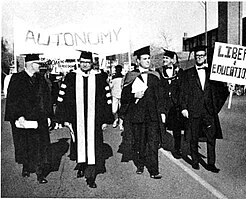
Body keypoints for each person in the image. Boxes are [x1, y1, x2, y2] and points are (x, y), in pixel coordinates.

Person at [55, 50, 113, 188]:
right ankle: (82, 164)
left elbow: (107, 99)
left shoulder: (99, 78)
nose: (85, 65)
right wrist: (64, 119)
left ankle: (91, 176)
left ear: (92, 63)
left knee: (93, 145)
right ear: (79, 62)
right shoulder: (70, 77)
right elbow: (62, 98)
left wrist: (106, 120)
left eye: (88, 62)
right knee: (79, 144)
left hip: (95, 120)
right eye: (83, 62)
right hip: (76, 118)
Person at [180, 45, 229, 172]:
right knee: (193, 137)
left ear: (205, 56)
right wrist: (184, 108)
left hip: (208, 111)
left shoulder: (212, 72)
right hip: (194, 110)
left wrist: (229, 87)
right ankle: (195, 161)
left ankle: (211, 163)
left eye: (202, 56)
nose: (200, 58)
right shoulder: (188, 74)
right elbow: (183, 92)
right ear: (195, 57)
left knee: (211, 138)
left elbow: (220, 89)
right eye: (197, 56)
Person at [5, 53, 52, 183]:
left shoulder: (41, 79)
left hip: (39, 118)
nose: (40, 66)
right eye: (38, 64)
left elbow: (47, 98)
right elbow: (12, 99)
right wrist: (18, 116)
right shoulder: (17, 79)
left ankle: (40, 173)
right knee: (24, 144)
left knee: (40, 145)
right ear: (31, 65)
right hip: (24, 119)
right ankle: (26, 166)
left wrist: (48, 116)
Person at [119, 46, 164, 179]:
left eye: (148, 58)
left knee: (153, 143)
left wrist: (162, 112)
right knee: (139, 143)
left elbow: (160, 96)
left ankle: (154, 170)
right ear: (138, 61)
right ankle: (140, 164)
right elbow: (124, 97)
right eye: (144, 59)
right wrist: (134, 96)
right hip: (137, 116)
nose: (147, 61)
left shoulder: (155, 76)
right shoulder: (131, 76)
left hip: (152, 116)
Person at [156, 49, 185, 159]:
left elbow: (183, 88)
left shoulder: (180, 72)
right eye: (164, 58)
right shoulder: (159, 72)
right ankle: (160, 142)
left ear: (172, 60)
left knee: (176, 128)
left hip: (175, 105)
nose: (164, 60)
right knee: (161, 124)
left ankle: (177, 149)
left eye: (167, 58)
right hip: (163, 103)